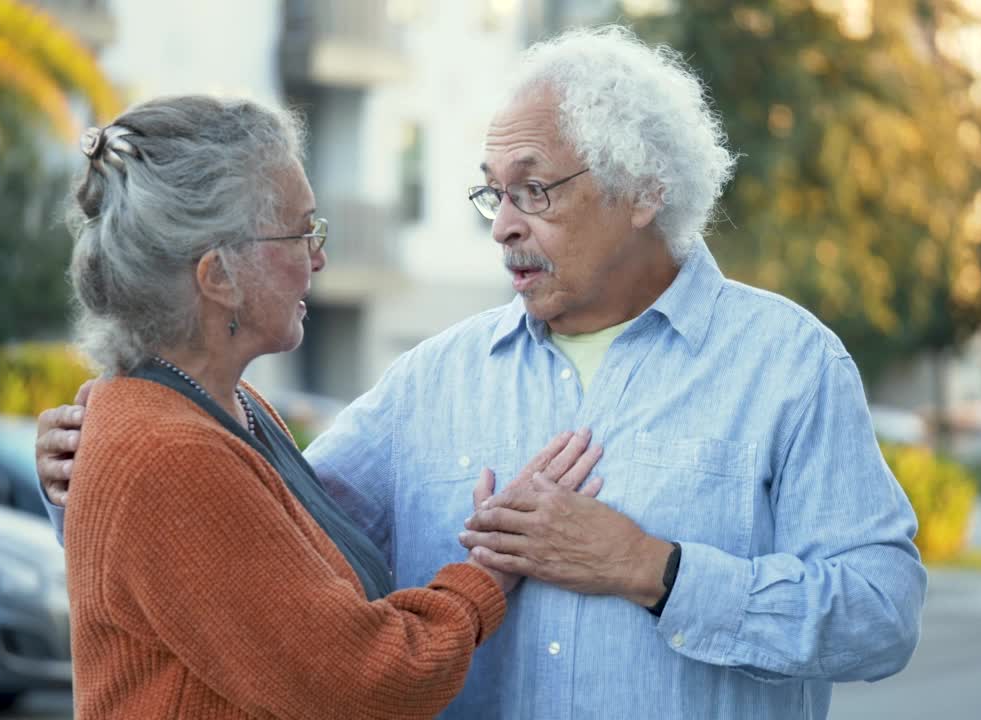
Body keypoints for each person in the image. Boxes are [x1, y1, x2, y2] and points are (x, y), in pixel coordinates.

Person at [39, 27, 926, 718]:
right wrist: (81, 483)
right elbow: (261, 561)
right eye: (490, 192)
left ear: (642, 189)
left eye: (533, 190)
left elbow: (881, 616)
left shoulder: (787, 366)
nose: (501, 224)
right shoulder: (432, 379)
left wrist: (656, 570)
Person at [53, 94, 602, 720]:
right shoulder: (170, 452)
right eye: (301, 231)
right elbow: (361, 682)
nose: (318, 257)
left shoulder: (221, 408)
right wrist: (488, 570)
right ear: (219, 276)